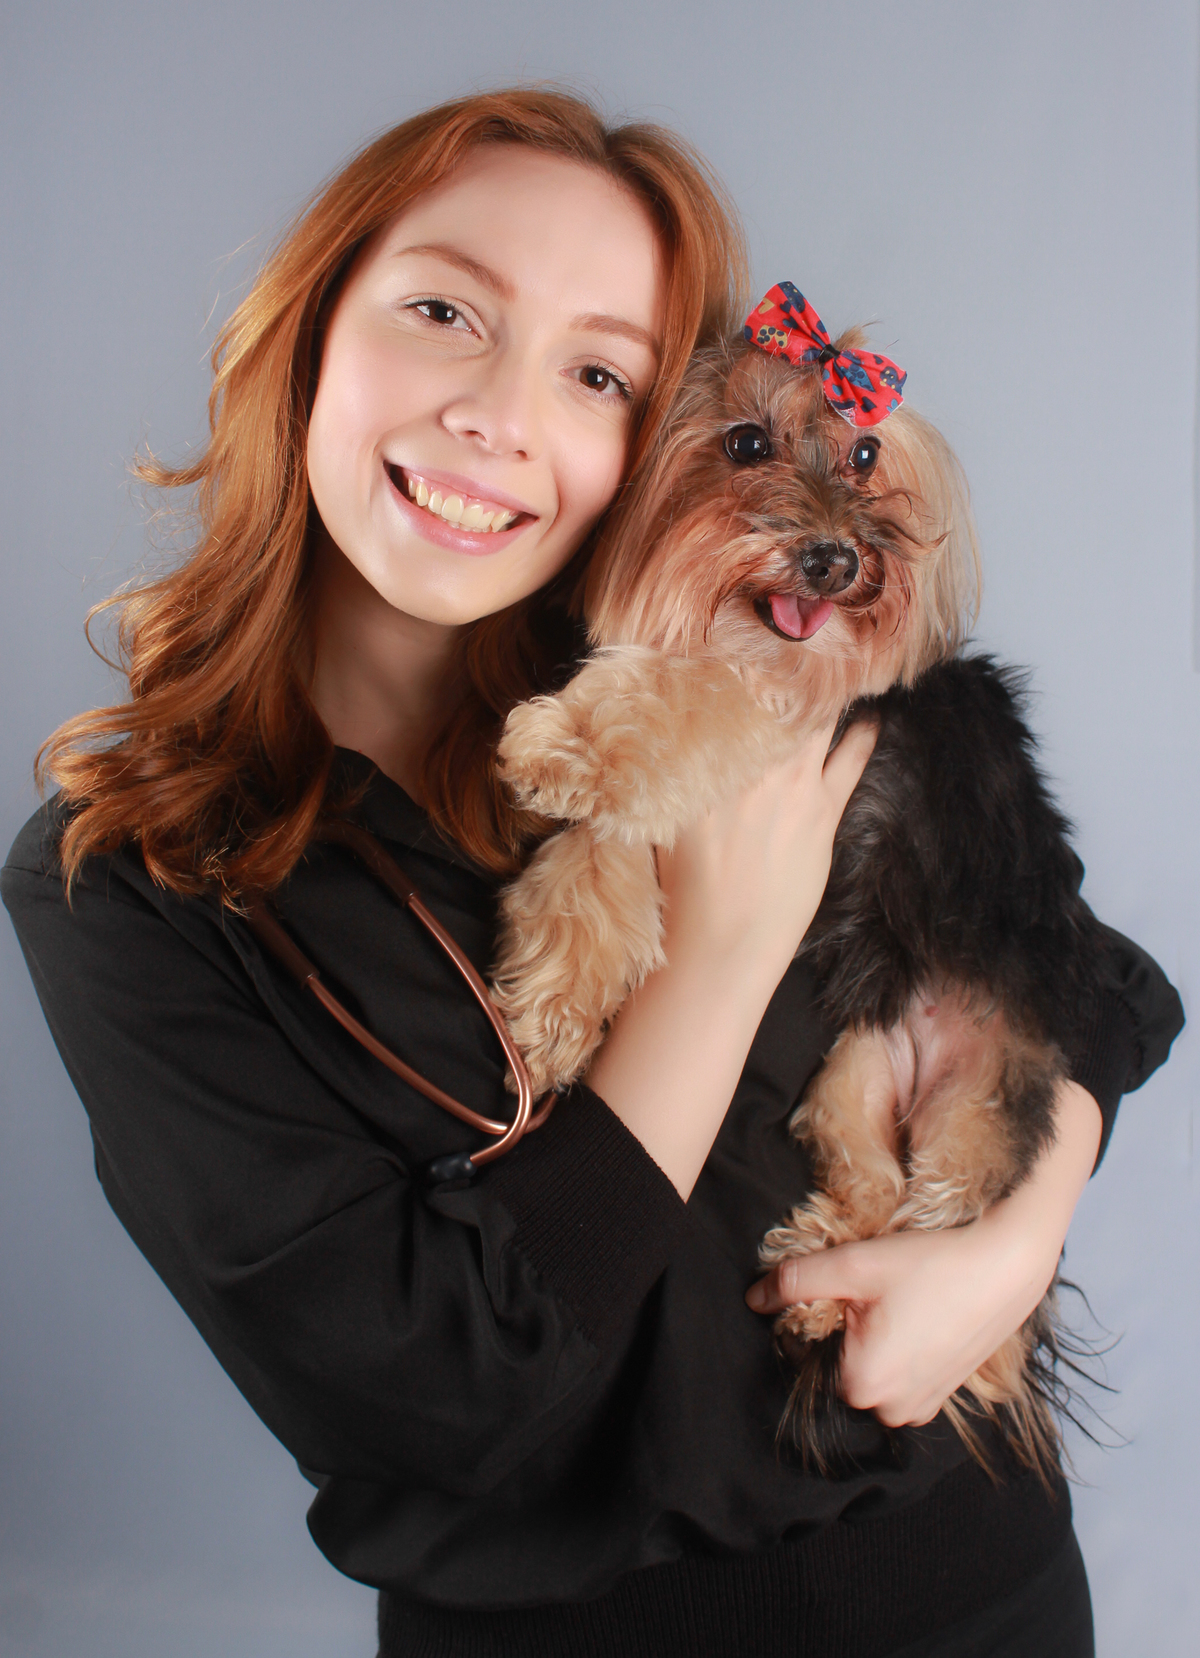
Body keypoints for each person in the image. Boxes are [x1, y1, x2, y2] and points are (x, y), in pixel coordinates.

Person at [1, 89, 1183, 1658]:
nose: (501, 411)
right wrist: (719, 958)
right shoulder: (134, 875)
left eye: (598, 370)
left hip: (978, 1593)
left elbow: (1089, 985)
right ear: (307, 333)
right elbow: (439, 1399)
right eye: (442, 311)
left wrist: (1004, 1246)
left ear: (653, 439)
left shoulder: (745, 654)